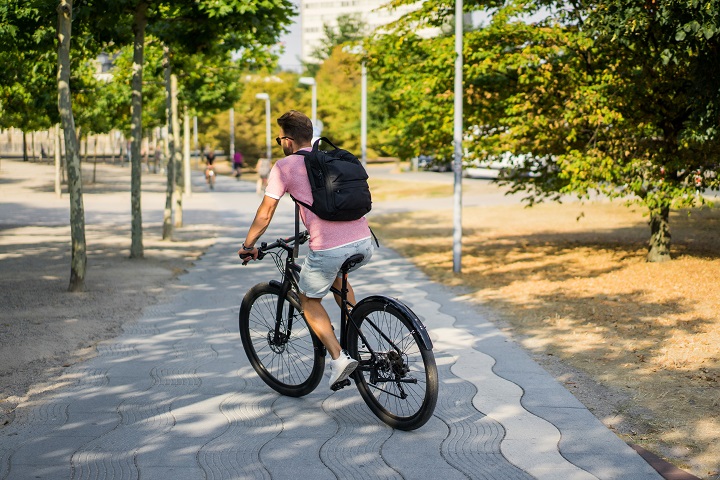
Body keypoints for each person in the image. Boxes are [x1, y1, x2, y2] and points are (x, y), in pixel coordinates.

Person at [239, 110, 374, 390]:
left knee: (308, 299)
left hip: (330, 247)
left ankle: (339, 358)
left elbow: (265, 214)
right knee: (335, 278)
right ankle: (356, 336)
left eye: (279, 140)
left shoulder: (285, 167)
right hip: (364, 241)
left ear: (287, 140)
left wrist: (248, 245)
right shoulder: (331, 157)